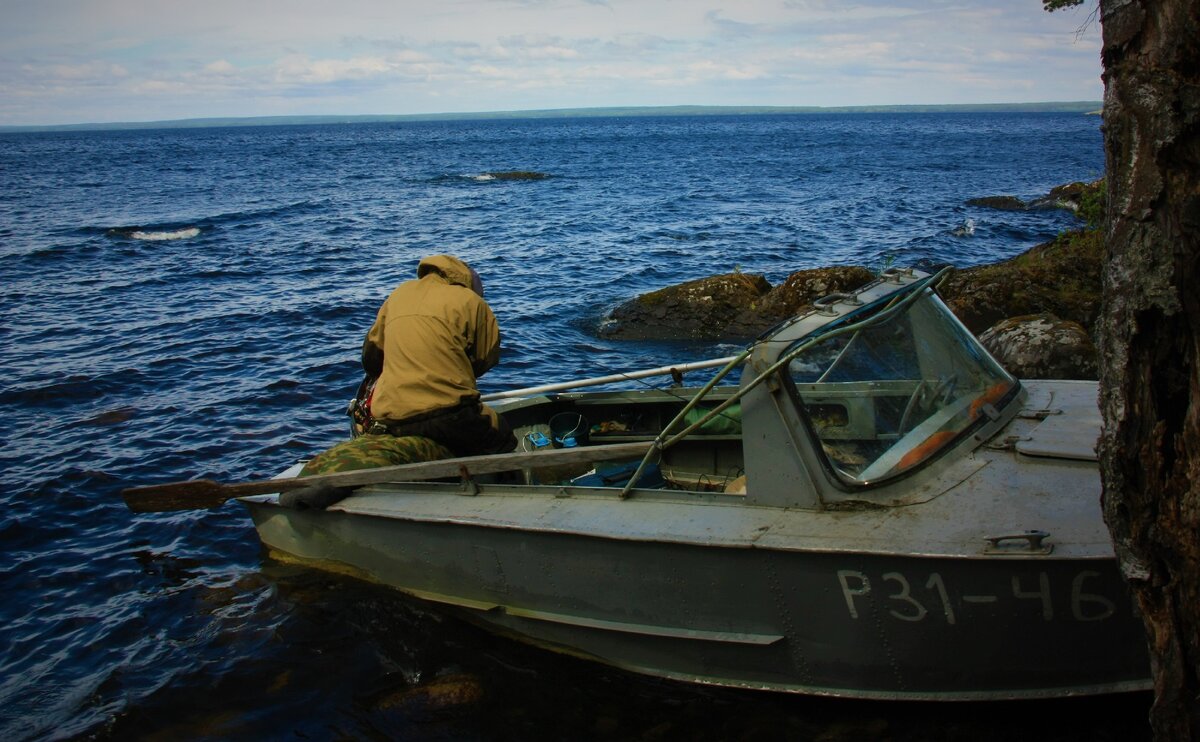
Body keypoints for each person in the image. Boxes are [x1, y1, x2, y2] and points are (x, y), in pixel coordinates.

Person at [360, 254, 517, 457]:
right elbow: (485, 359)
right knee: (504, 438)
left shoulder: (398, 294)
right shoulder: (471, 301)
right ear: (468, 283)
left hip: (391, 416)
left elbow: (371, 358)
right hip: (449, 413)